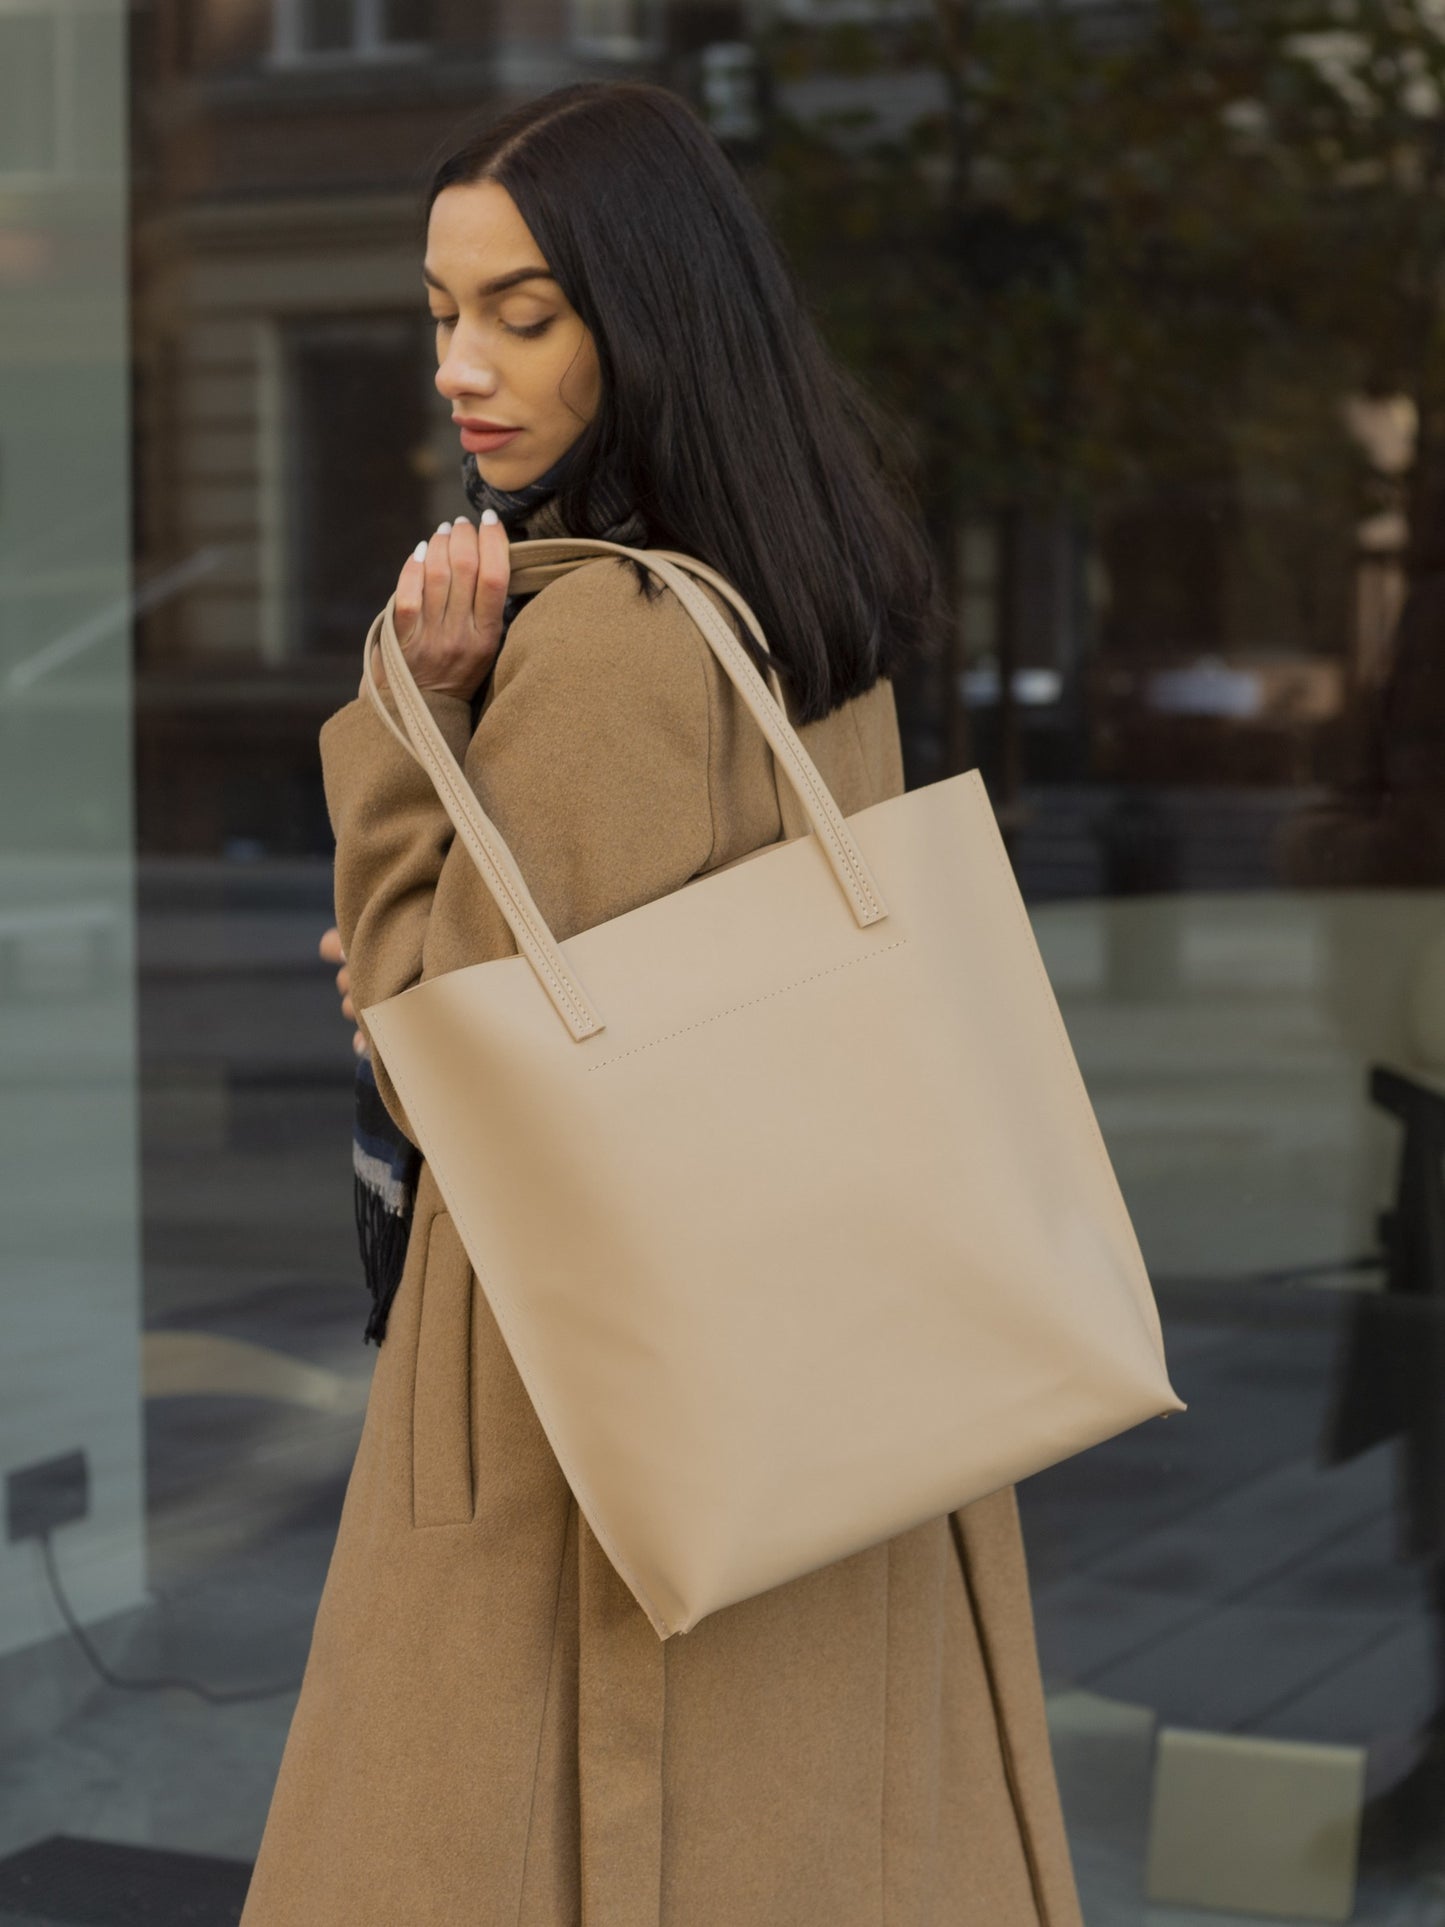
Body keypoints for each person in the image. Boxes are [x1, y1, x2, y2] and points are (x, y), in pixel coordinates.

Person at [241, 79, 1084, 1927]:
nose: (465, 364)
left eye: (523, 314)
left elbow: (434, 1039)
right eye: (443, 311)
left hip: (592, 1423)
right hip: (833, 1372)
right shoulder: (803, 589)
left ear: (649, 314)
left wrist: (420, 726)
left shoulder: (607, 644)